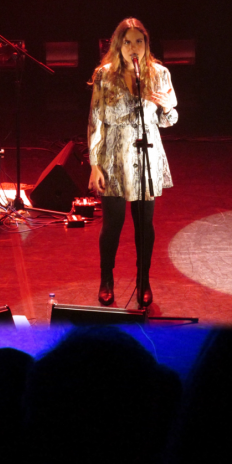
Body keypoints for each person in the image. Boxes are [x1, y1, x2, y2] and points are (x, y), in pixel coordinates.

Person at [87, 17, 177, 307]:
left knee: (144, 225)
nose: (133, 47)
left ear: (146, 44)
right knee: (113, 224)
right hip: (113, 156)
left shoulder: (159, 73)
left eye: (139, 41)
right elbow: (95, 121)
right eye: (127, 42)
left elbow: (169, 119)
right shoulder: (104, 75)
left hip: (146, 156)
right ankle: (106, 279)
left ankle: (143, 280)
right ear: (118, 44)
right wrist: (94, 164)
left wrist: (167, 107)